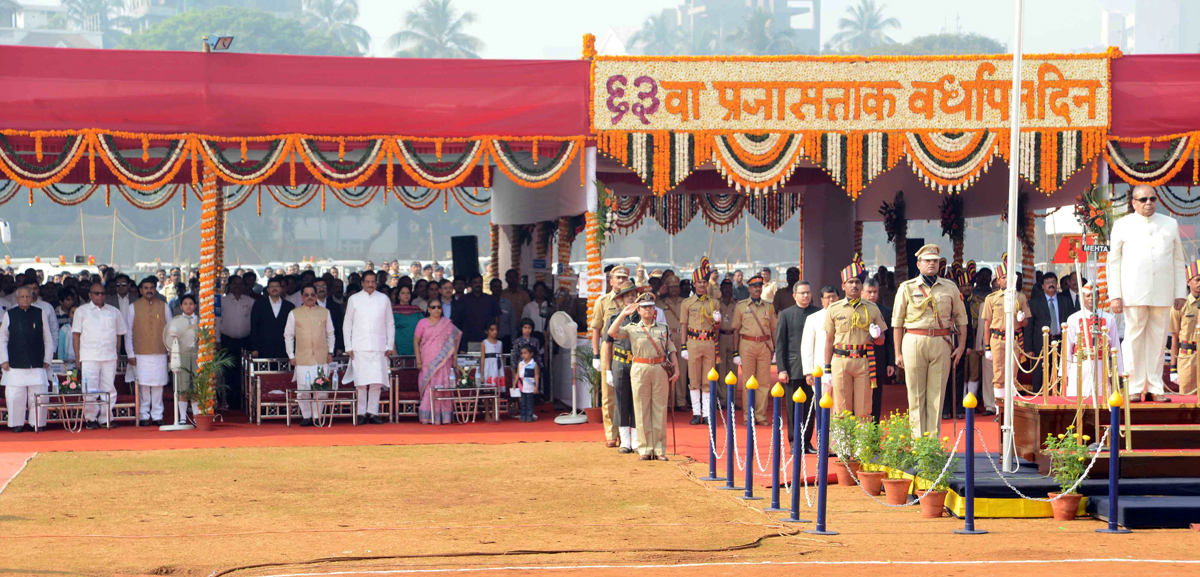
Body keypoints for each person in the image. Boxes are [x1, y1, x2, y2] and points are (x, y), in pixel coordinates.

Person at [1110, 184, 1187, 402]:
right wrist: (1115, 294)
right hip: (1133, 293)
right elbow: (1113, 263)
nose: (1148, 203)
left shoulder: (1169, 223)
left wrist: (1180, 291)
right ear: (1133, 203)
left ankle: (1155, 387)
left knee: (1158, 340)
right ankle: (1133, 387)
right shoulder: (1122, 225)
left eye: (1152, 199)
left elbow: (1178, 260)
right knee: (1133, 340)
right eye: (1143, 200)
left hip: (1162, 292)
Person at [893, 244, 967, 437]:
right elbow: (897, 322)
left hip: (941, 342)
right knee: (916, 396)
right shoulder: (907, 287)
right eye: (927, 261)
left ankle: (932, 446)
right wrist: (897, 352)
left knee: (936, 396)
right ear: (919, 264)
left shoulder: (949, 287)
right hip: (914, 340)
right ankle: (918, 445)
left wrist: (961, 347)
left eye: (934, 261)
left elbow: (962, 319)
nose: (931, 264)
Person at [608, 293, 679, 461]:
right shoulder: (632, 328)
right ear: (638, 310)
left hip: (660, 367)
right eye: (644, 307)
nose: (648, 309)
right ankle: (645, 449)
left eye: (650, 306)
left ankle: (659, 449)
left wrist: (676, 370)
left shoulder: (663, 328)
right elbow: (612, 332)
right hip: (640, 368)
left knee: (659, 409)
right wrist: (623, 314)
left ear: (654, 309)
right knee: (641, 409)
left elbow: (671, 349)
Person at [824, 261, 887, 418]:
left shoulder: (872, 308)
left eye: (858, 282)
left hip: (863, 361)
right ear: (843, 285)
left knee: (864, 409)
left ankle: (861, 443)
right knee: (841, 408)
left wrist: (877, 335)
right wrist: (827, 369)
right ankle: (843, 443)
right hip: (840, 360)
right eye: (850, 282)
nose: (854, 285)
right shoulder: (834, 308)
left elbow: (882, 341)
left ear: (862, 285)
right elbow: (829, 340)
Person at [73, 281, 128, 429]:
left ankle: (106, 417)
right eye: (96, 293)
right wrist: (78, 357)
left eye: (102, 293)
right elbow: (76, 335)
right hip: (89, 356)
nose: (100, 296)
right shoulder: (81, 311)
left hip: (109, 356)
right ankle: (90, 418)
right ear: (90, 295)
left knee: (109, 387)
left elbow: (119, 335)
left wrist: (117, 354)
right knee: (89, 388)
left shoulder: (114, 311)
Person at [979, 258, 1030, 414]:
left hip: (1013, 339)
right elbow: (987, 324)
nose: (1007, 280)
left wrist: (1021, 319)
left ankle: (1011, 410)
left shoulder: (1020, 297)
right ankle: (998, 411)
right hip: (997, 339)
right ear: (998, 280)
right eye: (1004, 277)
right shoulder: (991, 299)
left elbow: (1025, 323)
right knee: (998, 376)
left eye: (1010, 276)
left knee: (1012, 376)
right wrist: (987, 347)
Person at [343, 271, 394, 424]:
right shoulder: (354, 299)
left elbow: (389, 324)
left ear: (376, 283)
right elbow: (347, 324)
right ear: (362, 283)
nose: (370, 284)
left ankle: (372, 413)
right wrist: (348, 346)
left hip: (379, 346)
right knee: (361, 383)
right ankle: (360, 413)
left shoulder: (383, 299)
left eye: (373, 281)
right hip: (359, 347)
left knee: (376, 382)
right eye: (367, 281)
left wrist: (389, 345)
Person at [1, 286, 54, 432]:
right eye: (22, 297)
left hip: (36, 361)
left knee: (38, 395)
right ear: (17, 299)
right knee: (15, 396)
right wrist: (3, 360)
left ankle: (37, 423)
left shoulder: (40, 313)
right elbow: (2, 339)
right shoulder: (10, 314)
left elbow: (47, 338)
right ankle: (16, 424)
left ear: (32, 298)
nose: (25, 299)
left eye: (28, 297)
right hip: (14, 362)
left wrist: (48, 358)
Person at [775, 281, 820, 450]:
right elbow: (780, 344)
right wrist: (782, 369)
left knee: (810, 407)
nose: (805, 296)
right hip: (793, 368)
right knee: (793, 407)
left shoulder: (817, 313)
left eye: (808, 292)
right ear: (794, 296)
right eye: (801, 293)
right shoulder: (786, 315)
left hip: (814, 368)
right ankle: (794, 441)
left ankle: (807, 442)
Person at [284, 285, 336, 427]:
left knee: (322, 390)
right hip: (303, 357)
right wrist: (291, 355)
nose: (310, 297)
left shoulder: (325, 312)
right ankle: (306, 416)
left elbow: (330, 333)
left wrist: (330, 351)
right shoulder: (294, 313)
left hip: (321, 357)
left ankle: (317, 416)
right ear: (302, 297)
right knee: (303, 390)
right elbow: (288, 336)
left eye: (312, 294)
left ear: (316, 296)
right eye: (306, 295)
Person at [125, 276, 173, 426]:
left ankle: (158, 415)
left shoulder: (164, 306)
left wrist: (171, 353)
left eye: (151, 288)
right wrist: (130, 353)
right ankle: (144, 415)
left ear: (155, 289)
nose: (149, 290)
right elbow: (128, 332)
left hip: (160, 352)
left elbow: (171, 331)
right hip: (140, 353)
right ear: (140, 290)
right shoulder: (133, 307)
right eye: (145, 288)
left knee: (158, 385)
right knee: (144, 386)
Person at [589, 266, 628, 448]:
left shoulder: (632, 300)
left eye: (624, 277)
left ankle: (626, 432)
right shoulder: (603, 301)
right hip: (608, 349)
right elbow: (596, 329)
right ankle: (611, 433)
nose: (621, 280)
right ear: (611, 281)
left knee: (627, 392)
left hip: (627, 348)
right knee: (609, 394)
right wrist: (596, 355)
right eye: (618, 277)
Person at [1064, 282, 1123, 397]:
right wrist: (1064, 372)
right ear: (1082, 298)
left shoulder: (1109, 318)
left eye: (1094, 295)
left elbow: (1115, 346)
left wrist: (1118, 371)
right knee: (1078, 397)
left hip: (1101, 365)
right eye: (1088, 296)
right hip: (1080, 364)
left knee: (1101, 397)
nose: (1091, 298)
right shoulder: (1073, 319)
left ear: (1099, 297)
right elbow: (1067, 348)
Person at [732, 275, 777, 426]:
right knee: (747, 382)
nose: (757, 289)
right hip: (747, 344)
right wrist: (735, 352)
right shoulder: (741, 306)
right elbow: (736, 330)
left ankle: (761, 415)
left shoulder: (769, 306)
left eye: (759, 286)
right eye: (754, 286)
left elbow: (774, 329)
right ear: (749, 288)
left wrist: (776, 350)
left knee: (764, 382)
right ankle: (748, 415)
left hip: (764, 345)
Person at [680, 261, 718, 426]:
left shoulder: (714, 302)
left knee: (708, 379)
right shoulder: (687, 303)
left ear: (708, 283)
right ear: (694, 284)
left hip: (709, 342)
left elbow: (717, 327)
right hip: (693, 342)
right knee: (693, 378)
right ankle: (696, 413)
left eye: (704, 282)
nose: (702, 285)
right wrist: (683, 346)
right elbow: (683, 325)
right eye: (699, 282)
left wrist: (718, 321)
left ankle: (707, 413)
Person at [605, 281, 641, 452]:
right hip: (619, 363)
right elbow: (608, 345)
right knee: (621, 401)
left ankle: (635, 440)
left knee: (636, 401)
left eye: (633, 295)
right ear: (621, 299)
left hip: (637, 363)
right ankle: (624, 441)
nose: (630, 298)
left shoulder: (643, 318)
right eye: (627, 296)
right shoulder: (614, 319)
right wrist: (607, 370)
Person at [414, 296, 461, 425]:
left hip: (445, 361)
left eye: (439, 307)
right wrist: (418, 361)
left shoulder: (447, 324)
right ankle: (428, 417)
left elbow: (454, 342)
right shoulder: (422, 323)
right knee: (430, 386)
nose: (436, 310)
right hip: (427, 361)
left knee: (444, 385)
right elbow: (416, 342)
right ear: (428, 309)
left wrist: (455, 360)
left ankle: (444, 417)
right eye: (433, 307)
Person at [1027, 272, 1072, 393]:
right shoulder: (1034, 302)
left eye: (1053, 282)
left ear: (1057, 284)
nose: (1051, 285)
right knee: (1039, 373)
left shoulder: (1065, 300)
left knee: (1060, 369)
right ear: (1042, 286)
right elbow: (1029, 326)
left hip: (1060, 341)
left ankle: (1059, 395)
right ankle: (1039, 397)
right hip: (1040, 343)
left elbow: (1071, 321)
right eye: (1048, 283)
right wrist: (1029, 347)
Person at [218, 274, 254, 411]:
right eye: (235, 284)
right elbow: (216, 321)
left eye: (240, 284)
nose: (238, 286)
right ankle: (229, 402)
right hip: (227, 341)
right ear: (230, 285)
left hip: (245, 341)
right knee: (228, 373)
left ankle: (243, 402)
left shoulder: (250, 301)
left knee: (244, 373)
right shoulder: (223, 301)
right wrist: (217, 340)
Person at [863, 278, 895, 422]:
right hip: (859, 360)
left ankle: (874, 434)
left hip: (878, 361)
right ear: (862, 292)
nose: (872, 295)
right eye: (869, 292)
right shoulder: (856, 309)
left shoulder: (886, 312)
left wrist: (890, 363)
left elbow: (889, 340)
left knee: (876, 399)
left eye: (875, 292)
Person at [165, 294, 200, 423]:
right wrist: (171, 359)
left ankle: (197, 415)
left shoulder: (201, 321)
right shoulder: (176, 322)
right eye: (185, 304)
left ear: (195, 306)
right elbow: (170, 342)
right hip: (181, 356)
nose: (188, 306)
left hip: (197, 356)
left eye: (191, 303)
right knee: (182, 386)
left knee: (196, 386)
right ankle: (182, 417)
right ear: (181, 306)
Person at [1171, 260, 1200, 395]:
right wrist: (1173, 369)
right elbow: (1175, 338)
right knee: (1187, 400)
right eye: (1197, 280)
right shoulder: (1180, 305)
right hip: (1187, 358)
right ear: (1188, 282)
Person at [660, 275, 688, 410]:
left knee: (682, 370)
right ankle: (670, 401)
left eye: (676, 287)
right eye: (671, 287)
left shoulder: (685, 302)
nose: (674, 290)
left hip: (682, 336)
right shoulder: (661, 303)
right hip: (668, 337)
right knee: (669, 370)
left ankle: (681, 401)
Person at [250, 278, 295, 360]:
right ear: (267, 289)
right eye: (272, 286)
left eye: (277, 286)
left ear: (281, 289)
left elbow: (293, 329)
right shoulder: (259, 305)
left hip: (284, 348)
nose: (274, 288)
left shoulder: (289, 306)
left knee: (284, 372)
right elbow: (254, 327)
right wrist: (254, 348)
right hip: (264, 348)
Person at [716, 279, 740, 409]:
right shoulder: (716, 303)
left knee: (733, 369)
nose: (727, 289)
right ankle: (722, 399)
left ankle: (732, 399)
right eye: (724, 287)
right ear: (720, 288)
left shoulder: (737, 304)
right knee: (720, 369)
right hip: (720, 336)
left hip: (733, 337)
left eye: (729, 287)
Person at [313, 277, 345, 354]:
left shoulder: (335, 306)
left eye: (323, 286)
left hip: (332, 346)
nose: (321, 289)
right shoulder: (308, 306)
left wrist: (339, 347)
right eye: (318, 287)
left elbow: (339, 328)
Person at [392, 284, 422, 357]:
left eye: (408, 293)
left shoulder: (417, 310)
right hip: (399, 348)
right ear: (398, 296)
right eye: (403, 293)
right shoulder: (393, 311)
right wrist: (394, 351)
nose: (406, 295)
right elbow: (390, 332)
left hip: (416, 347)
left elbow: (424, 328)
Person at [478, 321, 506, 392]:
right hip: (488, 368)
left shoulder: (500, 343)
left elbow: (501, 358)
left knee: (497, 391)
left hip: (497, 368)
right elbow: (482, 359)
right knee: (487, 391)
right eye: (492, 330)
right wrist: (482, 374)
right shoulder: (484, 343)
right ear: (486, 331)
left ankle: (495, 403)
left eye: (496, 329)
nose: (495, 332)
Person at [516, 344, 539, 422]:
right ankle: (523, 416)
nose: (523, 355)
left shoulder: (534, 364)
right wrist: (514, 384)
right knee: (522, 403)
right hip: (522, 387)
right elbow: (518, 374)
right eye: (522, 353)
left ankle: (529, 416)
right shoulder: (520, 364)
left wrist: (536, 387)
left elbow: (536, 375)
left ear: (531, 354)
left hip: (530, 387)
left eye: (525, 353)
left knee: (529, 402)